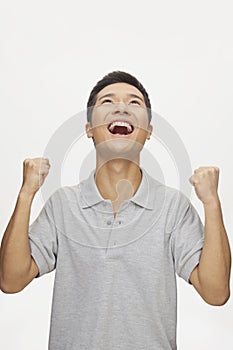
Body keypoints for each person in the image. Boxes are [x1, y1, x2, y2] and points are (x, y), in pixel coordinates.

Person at [0, 71, 231, 350]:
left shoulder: (173, 207)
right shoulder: (63, 205)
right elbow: (11, 281)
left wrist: (212, 203)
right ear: (89, 129)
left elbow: (216, 293)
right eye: (107, 101)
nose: (121, 107)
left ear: (149, 132)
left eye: (134, 103)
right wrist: (26, 194)